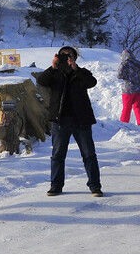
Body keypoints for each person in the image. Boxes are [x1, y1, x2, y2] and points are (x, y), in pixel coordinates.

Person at [37, 47, 103, 197]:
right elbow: (41, 81)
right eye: (63, 55)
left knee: (89, 155)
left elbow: (92, 82)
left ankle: (95, 186)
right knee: (58, 155)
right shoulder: (54, 74)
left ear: (74, 58)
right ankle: (56, 186)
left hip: (81, 121)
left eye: (70, 55)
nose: (67, 58)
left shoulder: (81, 72)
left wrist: (76, 69)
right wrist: (52, 67)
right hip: (60, 121)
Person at [117, 49, 140, 123]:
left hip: (127, 89)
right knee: (138, 107)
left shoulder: (124, 63)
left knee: (127, 108)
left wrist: (127, 76)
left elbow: (119, 75)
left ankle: (124, 124)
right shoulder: (138, 63)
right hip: (138, 89)